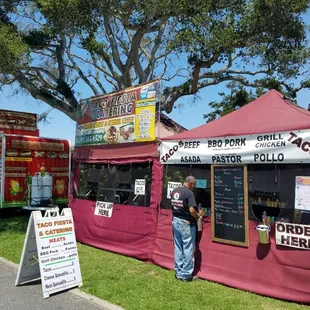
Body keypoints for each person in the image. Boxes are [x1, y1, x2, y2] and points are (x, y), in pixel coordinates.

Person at [171, 176, 201, 281]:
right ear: (191, 183)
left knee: (178, 247)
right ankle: (186, 274)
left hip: (175, 221)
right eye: (194, 185)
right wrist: (198, 217)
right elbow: (192, 210)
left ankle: (179, 272)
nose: (194, 187)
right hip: (186, 222)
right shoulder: (189, 193)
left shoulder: (175, 191)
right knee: (188, 248)